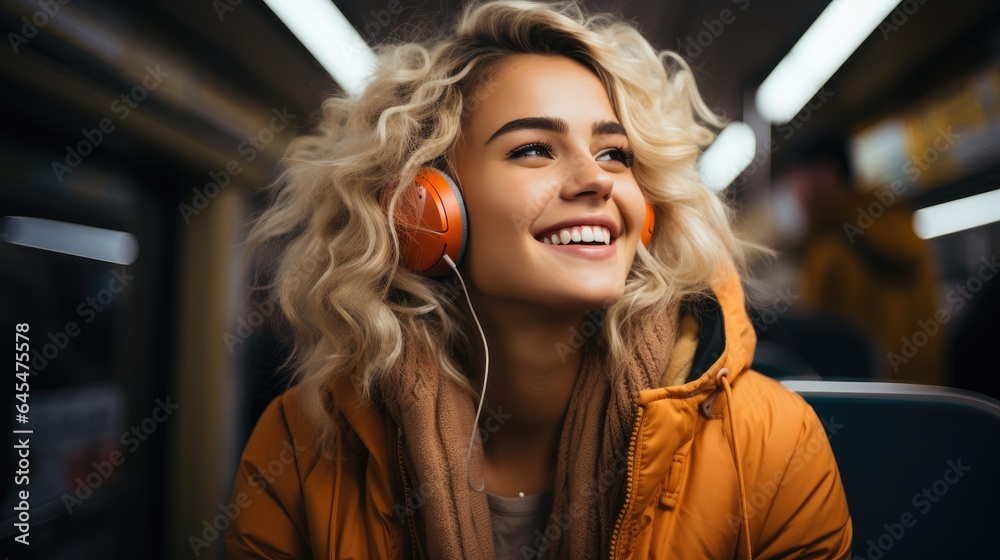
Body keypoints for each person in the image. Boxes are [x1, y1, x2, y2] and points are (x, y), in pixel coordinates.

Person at [225, 1, 852, 558]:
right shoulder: (302, 451)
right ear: (425, 208)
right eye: (534, 149)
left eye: (615, 154)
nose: (597, 180)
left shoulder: (773, 445)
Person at [779, 134, 945, 384]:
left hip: (865, 406)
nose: (795, 192)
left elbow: (823, 354)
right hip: (930, 398)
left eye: (797, 178)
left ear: (826, 174)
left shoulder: (830, 250)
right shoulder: (903, 227)